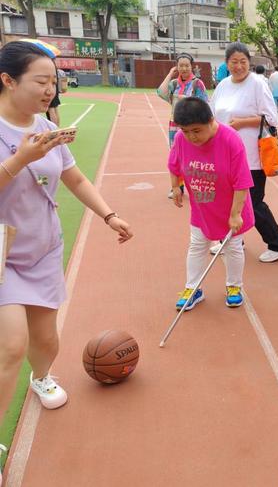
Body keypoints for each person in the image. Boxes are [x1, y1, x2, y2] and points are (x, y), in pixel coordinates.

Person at [0, 41, 133, 436]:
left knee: (46, 340)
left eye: (53, 82)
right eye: (41, 81)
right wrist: (20, 159)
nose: (49, 90)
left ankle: (41, 377)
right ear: (7, 80)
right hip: (2, 253)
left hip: (42, 247)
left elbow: (74, 177)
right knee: (11, 346)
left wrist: (109, 215)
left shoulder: (46, 127)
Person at [168, 97, 254, 310]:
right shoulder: (181, 138)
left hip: (231, 205)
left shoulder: (230, 139)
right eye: (186, 131)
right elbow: (174, 163)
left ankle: (234, 286)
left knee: (233, 247)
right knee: (197, 245)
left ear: (210, 120)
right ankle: (193, 288)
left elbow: (242, 181)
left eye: (196, 131)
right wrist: (176, 186)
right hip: (202, 206)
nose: (191, 137)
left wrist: (235, 214)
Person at [210, 42, 278, 262]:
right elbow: (212, 115)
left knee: (253, 203)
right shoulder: (223, 85)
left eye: (243, 61)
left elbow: (272, 119)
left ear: (249, 62)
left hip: (252, 157)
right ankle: (232, 239)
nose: (238, 66)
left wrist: (242, 123)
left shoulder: (257, 84)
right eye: (234, 62)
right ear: (227, 64)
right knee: (229, 201)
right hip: (226, 155)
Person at [156, 53, 208, 198]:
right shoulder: (173, 84)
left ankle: (198, 185)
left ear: (192, 66)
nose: (184, 68)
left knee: (195, 155)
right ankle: (178, 187)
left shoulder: (197, 84)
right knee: (176, 156)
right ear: (177, 67)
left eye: (187, 65)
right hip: (175, 125)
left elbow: (204, 104)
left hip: (192, 127)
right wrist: (169, 74)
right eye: (181, 66)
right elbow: (161, 92)